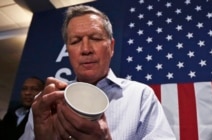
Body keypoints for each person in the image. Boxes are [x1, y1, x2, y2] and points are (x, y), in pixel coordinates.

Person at [20, 5, 176, 140]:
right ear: (68, 50)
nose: (86, 49)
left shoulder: (141, 96)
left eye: (95, 38)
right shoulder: (46, 105)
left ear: (111, 46)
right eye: (75, 41)